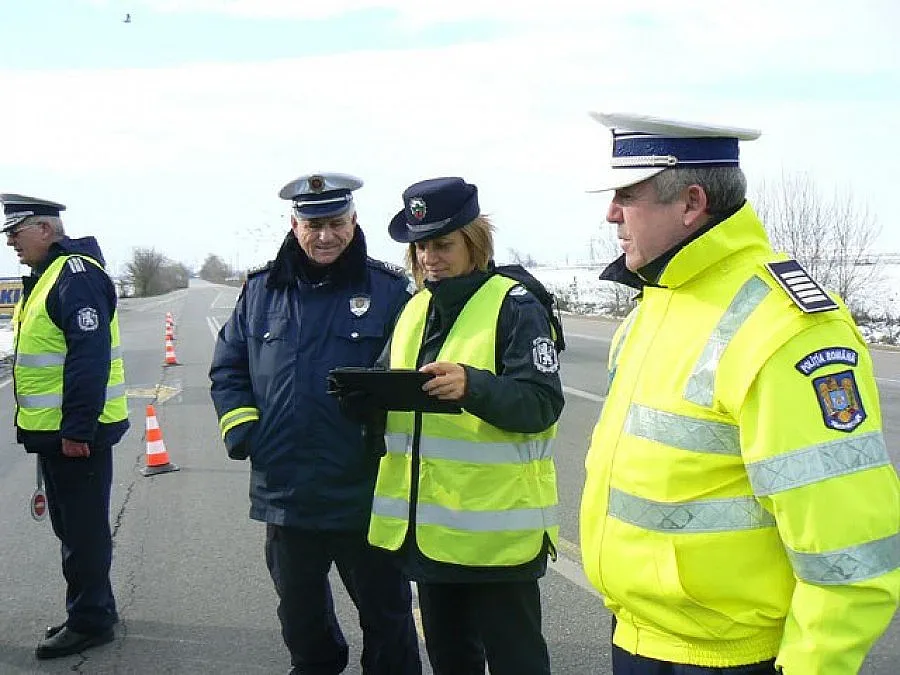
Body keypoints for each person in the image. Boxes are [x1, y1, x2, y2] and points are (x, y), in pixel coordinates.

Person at [578, 113, 900, 674]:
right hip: (639, 637)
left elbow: (848, 545)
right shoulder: (658, 299)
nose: (610, 213)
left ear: (691, 202)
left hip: (733, 658)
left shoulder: (784, 325)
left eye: (627, 194)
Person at [208, 173, 421, 675]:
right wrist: (244, 431)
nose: (325, 236)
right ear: (293, 225)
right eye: (313, 224)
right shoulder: (260, 291)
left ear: (353, 222)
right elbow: (228, 367)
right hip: (286, 491)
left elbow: (415, 372)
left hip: (365, 489)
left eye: (336, 223)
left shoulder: (390, 291)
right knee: (301, 621)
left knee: (387, 620)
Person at [359, 177, 565, 675]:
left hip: (497, 533)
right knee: (452, 660)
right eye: (422, 245)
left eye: (443, 244)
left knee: (518, 662)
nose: (430, 256)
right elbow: (395, 398)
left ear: (475, 242)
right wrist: (360, 400)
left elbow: (541, 405)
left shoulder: (515, 306)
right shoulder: (415, 309)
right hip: (432, 531)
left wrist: (473, 386)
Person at [2, 194, 128, 659]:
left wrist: (77, 430)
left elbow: (88, 360)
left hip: (77, 435)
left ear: (46, 230)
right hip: (60, 432)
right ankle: (97, 607)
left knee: (82, 532)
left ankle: (90, 620)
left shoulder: (74, 277)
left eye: (17, 231)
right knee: (74, 527)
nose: (11, 241)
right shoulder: (50, 276)